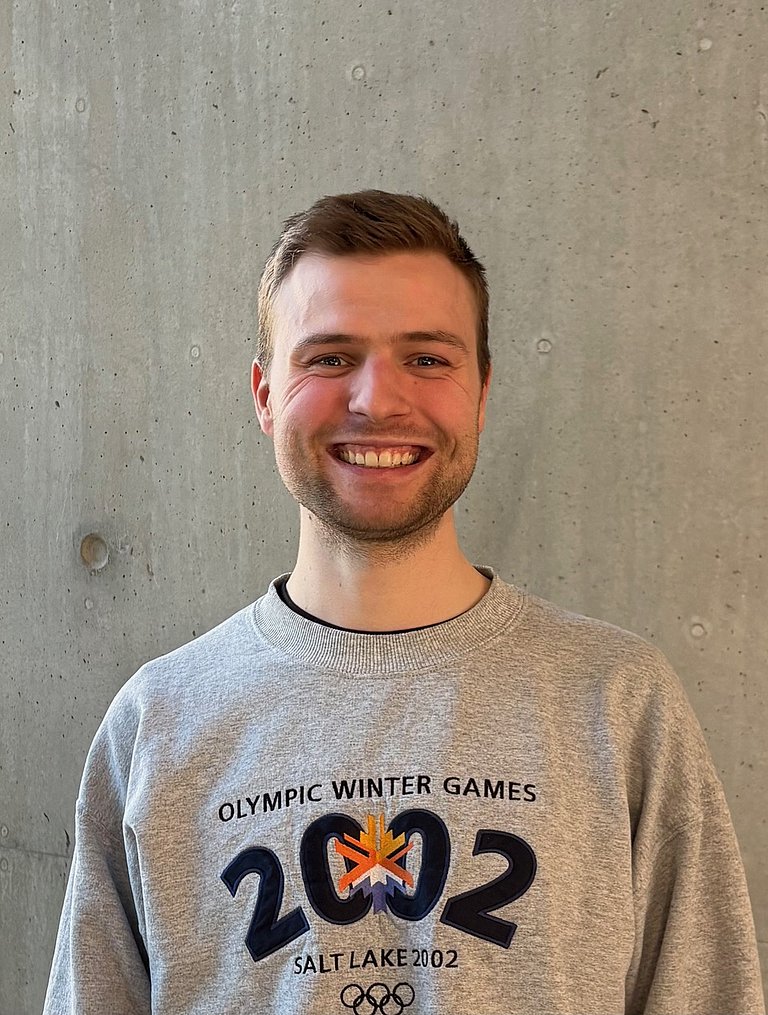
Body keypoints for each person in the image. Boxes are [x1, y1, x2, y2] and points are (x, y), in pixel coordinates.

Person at [44, 190, 764, 1015]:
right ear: (265, 394)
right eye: (329, 357)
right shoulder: (158, 724)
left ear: (482, 391)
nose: (378, 400)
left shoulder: (621, 702)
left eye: (426, 358)